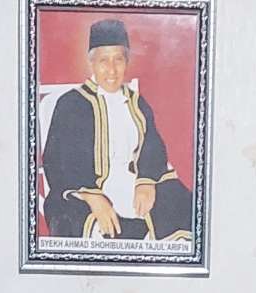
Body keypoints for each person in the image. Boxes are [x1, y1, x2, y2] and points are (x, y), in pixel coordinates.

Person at [39, 18, 194, 242]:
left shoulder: (137, 103)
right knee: (86, 223)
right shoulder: (71, 103)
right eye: (104, 60)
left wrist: (146, 181)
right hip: (83, 191)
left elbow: (153, 146)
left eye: (118, 60)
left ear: (126, 62)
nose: (111, 69)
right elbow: (56, 161)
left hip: (132, 183)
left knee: (181, 204)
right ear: (92, 63)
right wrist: (92, 196)